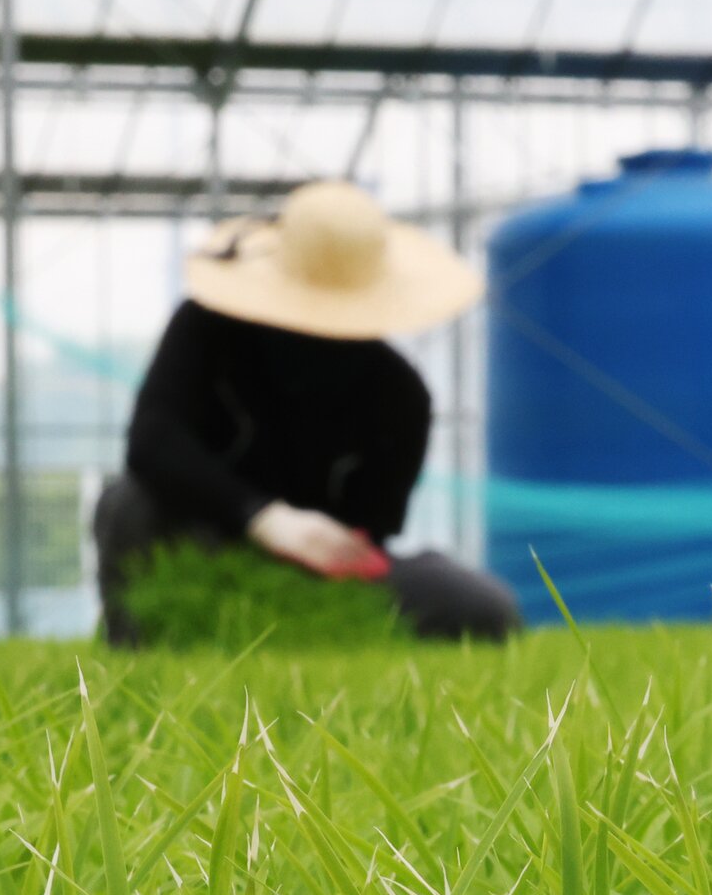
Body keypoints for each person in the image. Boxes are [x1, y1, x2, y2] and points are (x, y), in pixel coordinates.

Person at [96, 179, 521, 646]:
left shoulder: (401, 396)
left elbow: (374, 526)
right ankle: (142, 644)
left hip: (323, 572)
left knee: (479, 606)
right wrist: (264, 519)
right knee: (127, 506)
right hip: (211, 537)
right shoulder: (204, 329)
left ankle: (316, 637)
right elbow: (153, 442)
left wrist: (332, 548)